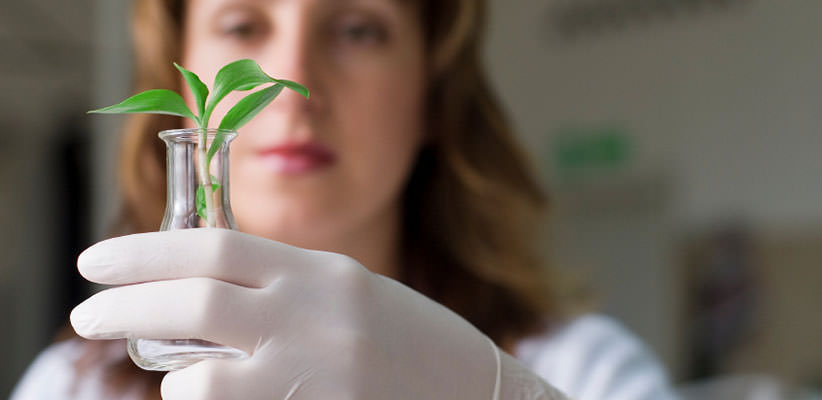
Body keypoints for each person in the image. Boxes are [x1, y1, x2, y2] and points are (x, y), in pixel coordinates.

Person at [11, 0, 678, 399]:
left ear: (433, 96)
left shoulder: (582, 369)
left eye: (358, 28)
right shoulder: (77, 384)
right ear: (179, 86)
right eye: (243, 26)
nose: (291, 80)